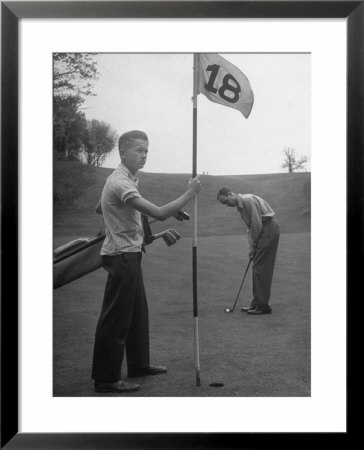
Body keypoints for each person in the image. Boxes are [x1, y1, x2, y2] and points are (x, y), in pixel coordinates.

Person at [92, 130, 201, 393]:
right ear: (123, 153)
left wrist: (116, 213)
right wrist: (190, 193)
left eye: (147, 151)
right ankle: (106, 379)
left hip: (130, 254)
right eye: (139, 150)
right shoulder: (121, 182)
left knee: (137, 314)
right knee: (116, 319)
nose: (144, 156)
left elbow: (100, 208)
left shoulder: (124, 179)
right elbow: (160, 214)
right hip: (122, 256)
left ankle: (139, 364)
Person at [217, 187, 279, 315]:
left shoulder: (247, 201)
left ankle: (263, 306)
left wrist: (255, 245)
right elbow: (251, 228)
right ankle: (257, 304)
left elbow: (256, 224)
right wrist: (252, 248)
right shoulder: (241, 206)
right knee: (257, 267)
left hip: (268, 229)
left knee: (260, 268)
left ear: (230, 194)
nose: (227, 205)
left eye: (226, 201)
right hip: (264, 230)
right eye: (224, 204)